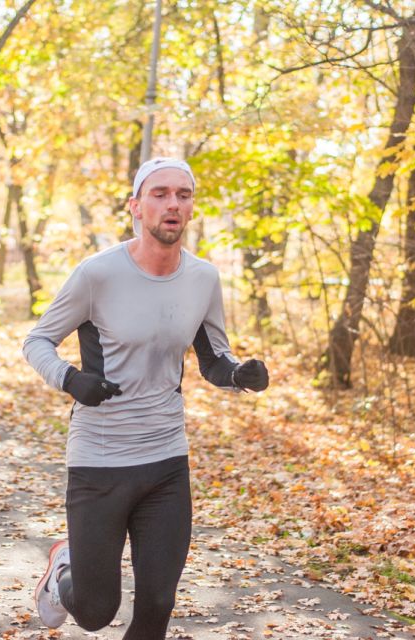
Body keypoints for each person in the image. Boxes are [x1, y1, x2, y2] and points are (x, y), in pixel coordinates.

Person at [22, 157, 270, 639]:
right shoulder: (97, 275)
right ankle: (61, 568)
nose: (172, 203)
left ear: (191, 208)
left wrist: (242, 375)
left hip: (165, 461)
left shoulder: (203, 279)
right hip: (99, 459)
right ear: (136, 206)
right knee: (95, 612)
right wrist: (71, 380)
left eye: (183, 194)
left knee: (157, 603)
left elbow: (214, 359)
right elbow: (37, 340)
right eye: (159, 194)